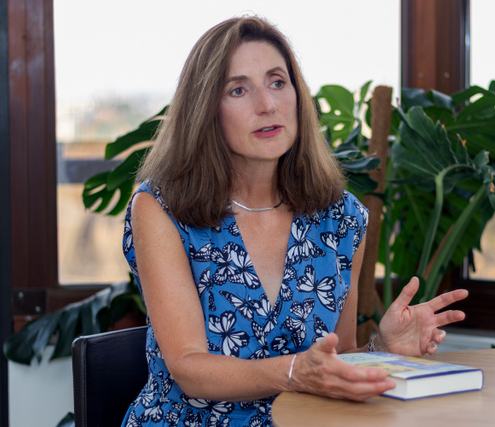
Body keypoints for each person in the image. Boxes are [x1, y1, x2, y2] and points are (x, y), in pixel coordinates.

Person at [121, 16, 469, 427]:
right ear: (206, 110)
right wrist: (293, 372)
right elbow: (189, 367)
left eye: (277, 82)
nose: (267, 105)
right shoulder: (161, 208)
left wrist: (384, 349)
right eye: (238, 89)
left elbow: (335, 358)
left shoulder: (341, 217)